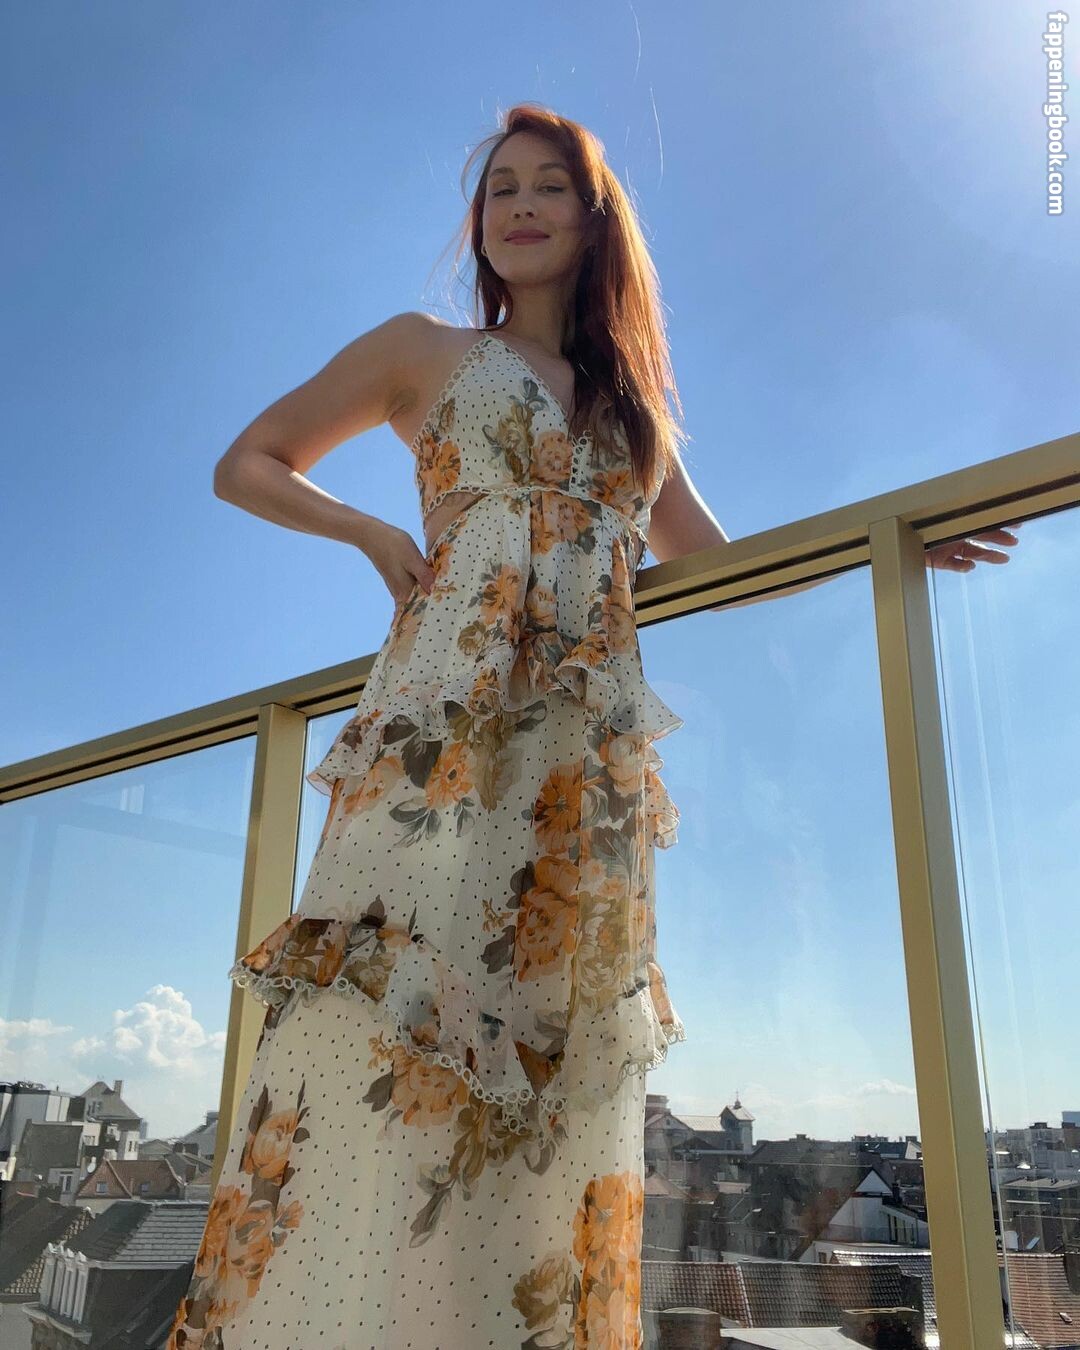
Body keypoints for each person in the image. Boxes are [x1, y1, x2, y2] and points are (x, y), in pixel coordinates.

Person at [166, 103, 704, 1350]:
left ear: (594, 221)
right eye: (499, 189)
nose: (518, 206)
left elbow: (727, 562)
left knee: (555, 1046)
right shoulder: (425, 351)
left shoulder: (634, 416)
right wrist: (369, 531)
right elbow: (249, 462)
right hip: (443, 736)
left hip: (580, 771)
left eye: (548, 187)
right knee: (393, 1028)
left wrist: (914, 542)